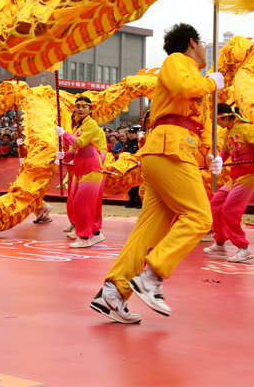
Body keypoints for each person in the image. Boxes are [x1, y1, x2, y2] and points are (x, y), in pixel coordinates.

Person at [91, 23, 223, 323]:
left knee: (148, 231)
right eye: (202, 44)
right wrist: (212, 83)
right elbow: (182, 89)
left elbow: (200, 128)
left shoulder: (195, 77)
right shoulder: (179, 60)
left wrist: (211, 155)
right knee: (200, 217)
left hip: (168, 152)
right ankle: (152, 276)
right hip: (169, 150)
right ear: (192, 42)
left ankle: (113, 291)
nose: (205, 50)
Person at [203, 104, 254, 263]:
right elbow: (225, 151)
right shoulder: (227, 131)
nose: (216, 123)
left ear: (226, 117)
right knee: (216, 203)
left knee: (229, 211)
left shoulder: (247, 129)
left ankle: (243, 248)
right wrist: (219, 160)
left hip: (248, 176)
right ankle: (219, 243)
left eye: (217, 119)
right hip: (235, 176)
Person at [55, 96, 107, 248]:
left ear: (91, 110)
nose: (80, 109)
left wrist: (64, 134)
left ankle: (84, 237)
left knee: (82, 202)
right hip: (80, 169)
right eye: (78, 106)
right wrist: (64, 155)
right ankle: (96, 233)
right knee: (77, 201)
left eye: (84, 106)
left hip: (92, 168)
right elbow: (74, 151)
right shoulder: (77, 128)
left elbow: (80, 142)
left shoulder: (92, 125)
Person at [123, 127, 142, 209]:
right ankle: (131, 201)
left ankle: (138, 201)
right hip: (128, 166)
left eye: (133, 133)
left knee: (137, 184)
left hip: (136, 166)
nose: (131, 135)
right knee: (129, 184)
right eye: (130, 133)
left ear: (136, 134)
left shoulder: (138, 143)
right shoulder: (126, 143)